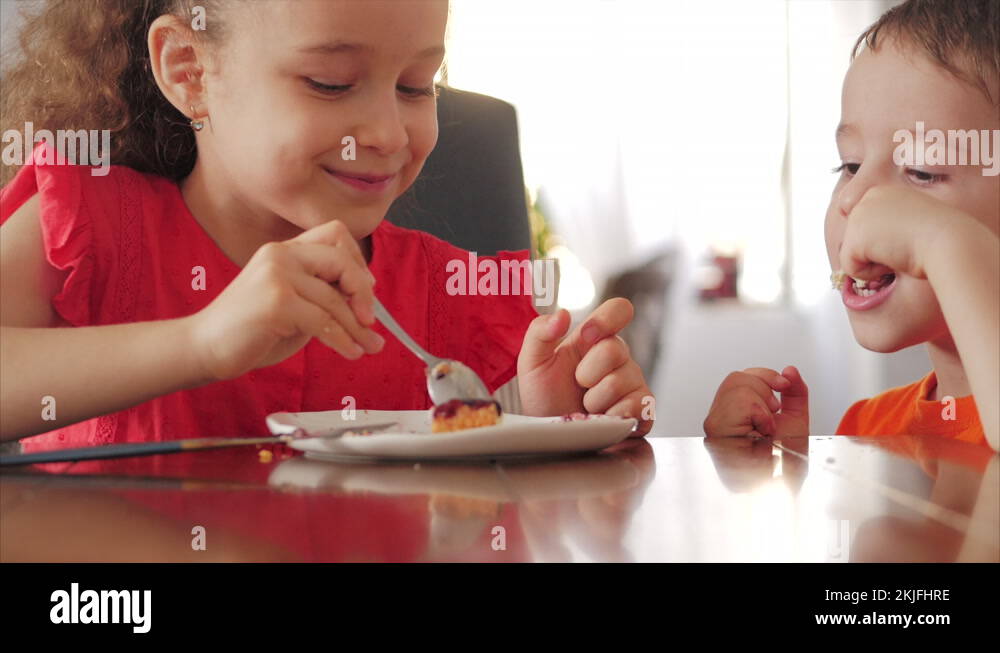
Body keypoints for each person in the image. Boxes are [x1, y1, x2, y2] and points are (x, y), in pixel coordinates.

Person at [0, 0, 653, 450]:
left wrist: (543, 424)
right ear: (190, 72)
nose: (388, 133)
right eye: (331, 83)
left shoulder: (443, 290)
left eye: (417, 85)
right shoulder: (89, 225)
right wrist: (200, 342)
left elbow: (479, 511)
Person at [703, 0, 998, 450]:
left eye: (921, 171)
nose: (852, 199)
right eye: (851, 164)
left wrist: (943, 241)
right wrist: (785, 465)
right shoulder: (868, 429)